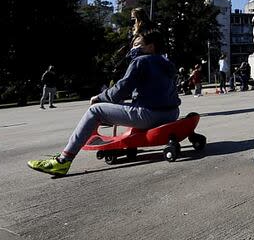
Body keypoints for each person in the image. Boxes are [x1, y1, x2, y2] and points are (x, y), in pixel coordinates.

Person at [27, 30, 180, 177]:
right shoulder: (166, 62)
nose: (133, 48)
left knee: (95, 111)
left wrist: (99, 98)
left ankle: (63, 160)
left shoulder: (141, 61)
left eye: (137, 44)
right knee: (125, 106)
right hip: (171, 114)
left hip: (149, 115)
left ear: (150, 46)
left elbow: (120, 90)